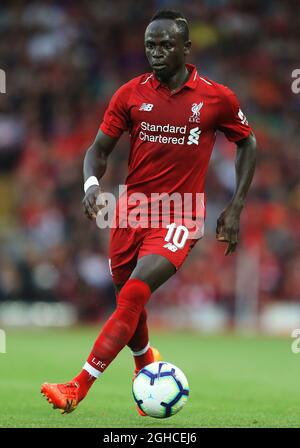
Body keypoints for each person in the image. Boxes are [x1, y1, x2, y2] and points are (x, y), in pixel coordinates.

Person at [41, 9, 256, 415]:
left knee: (135, 292)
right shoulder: (129, 94)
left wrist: (236, 205)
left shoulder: (216, 98)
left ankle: (78, 386)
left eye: (165, 44)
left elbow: (247, 142)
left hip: (182, 214)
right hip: (131, 213)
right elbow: (98, 151)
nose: (156, 52)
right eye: (150, 45)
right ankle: (146, 368)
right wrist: (91, 186)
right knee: (128, 298)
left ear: (186, 48)